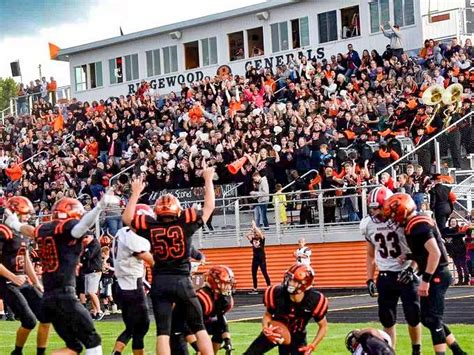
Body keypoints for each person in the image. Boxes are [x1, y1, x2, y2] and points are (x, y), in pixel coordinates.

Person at [122, 161, 216, 355]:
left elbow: (127, 219)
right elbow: (209, 207)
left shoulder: (151, 226)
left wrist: (136, 193)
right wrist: (207, 179)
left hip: (160, 282)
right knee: (199, 327)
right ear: (177, 210)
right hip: (182, 281)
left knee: (163, 333)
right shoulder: (186, 223)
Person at [4, 192, 117, 354]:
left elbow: (28, 230)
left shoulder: (43, 229)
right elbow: (82, 226)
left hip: (49, 298)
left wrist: (14, 222)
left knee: (74, 347)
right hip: (65, 295)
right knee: (93, 340)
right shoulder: (68, 229)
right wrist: (99, 207)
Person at [383, 193, 467, 355]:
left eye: (394, 214)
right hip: (435, 272)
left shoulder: (418, 225)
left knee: (432, 319)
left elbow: (435, 253)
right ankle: (458, 351)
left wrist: (426, 280)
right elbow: (425, 252)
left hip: (437, 273)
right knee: (428, 318)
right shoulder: (415, 223)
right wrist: (408, 256)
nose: (393, 219)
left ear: (404, 210)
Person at [361, 187, 421, 354]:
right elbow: (370, 254)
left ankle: (417, 350)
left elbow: (419, 249)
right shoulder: (368, 224)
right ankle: (390, 351)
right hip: (386, 275)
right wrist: (369, 278)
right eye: (372, 208)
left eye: (378, 207)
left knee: (413, 315)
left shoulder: (403, 219)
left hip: (407, 273)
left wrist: (411, 268)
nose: (375, 212)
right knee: (387, 319)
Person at [0, 196, 50, 355]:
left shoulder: (22, 231)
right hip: (7, 281)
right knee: (29, 321)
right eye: (26, 212)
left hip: (22, 280)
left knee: (46, 315)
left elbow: (26, 257)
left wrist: (36, 281)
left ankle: (40, 353)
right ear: (15, 211)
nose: (29, 216)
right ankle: (17, 352)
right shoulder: (4, 230)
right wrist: (13, 277)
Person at [244, 264, 328, 354]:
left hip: (297, 337)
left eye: (294, 281)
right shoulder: (277, 293)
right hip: (275, 330)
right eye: (289, 279)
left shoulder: (315, 300)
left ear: (304, 284)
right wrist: (266, 328)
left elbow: (323, 326)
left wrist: (312, 345)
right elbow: (267, 314)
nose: (290, 283)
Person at [111, 203, 155, 355]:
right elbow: (149, 259)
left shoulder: (121, 232)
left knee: (131, 327)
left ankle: (116, 353)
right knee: (142, 326)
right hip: (132, 286)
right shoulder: (134, 238)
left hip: (119, 285)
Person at [171, 265, 236, 355]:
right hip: (179, 326)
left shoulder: (224, 299)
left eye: (229, 284)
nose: (228, 287)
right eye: (224, 283)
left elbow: (221, 320)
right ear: (214, 282)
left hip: (198, 324)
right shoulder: (201, 298)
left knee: (218, 326)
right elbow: (185, 325)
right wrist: (197, 347)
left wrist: (227, 341)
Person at [81, 234, 104, 320]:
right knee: (89, 293)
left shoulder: (95, 244)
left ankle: (99, 311)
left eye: (86, 237)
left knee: (91, 292)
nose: (84, 239)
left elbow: (88, 256)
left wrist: (84, 254)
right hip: (88, 271)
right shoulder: (87, 245)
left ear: (91, 236)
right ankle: (95, 311)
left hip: (94, 271)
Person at [442, 218, 470, 285]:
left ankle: (466, 280)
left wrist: (450, 236)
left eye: (454, 221)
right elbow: (442, 235)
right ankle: (460, 280)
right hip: (453, 251)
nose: (453, 223)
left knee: (463, 265)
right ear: (449, 222)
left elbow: (461, 234)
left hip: (461, 250)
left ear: (456, 222)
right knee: (457, 266)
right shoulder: (447, 230)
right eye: (451, 221)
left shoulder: (459, 228)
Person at [246, 221, 271, 294]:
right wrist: (252, 229)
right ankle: (255, 288)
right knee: (254, 273)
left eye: (256, 233)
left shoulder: (262, 239)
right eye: (255, 233)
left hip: (261, 258)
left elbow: (260, 233)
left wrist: (255, 227)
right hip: (255, 258)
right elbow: (247, 235)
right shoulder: (253, 240)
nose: (255, 234)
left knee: (264, 273)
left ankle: (269, 286)